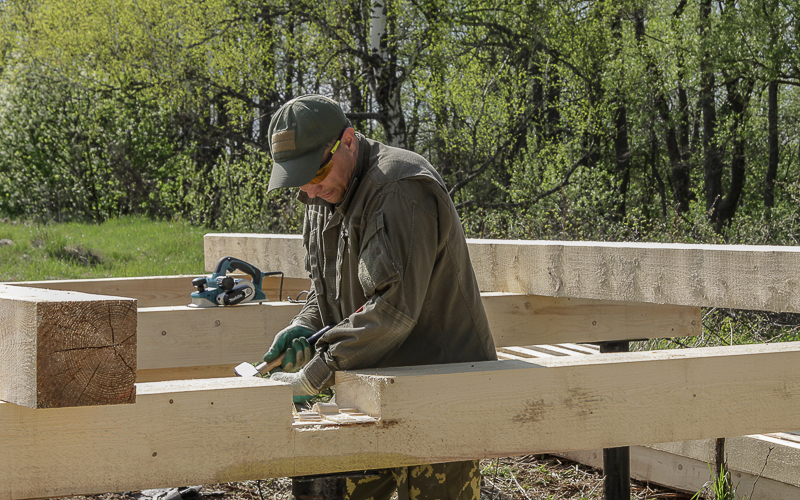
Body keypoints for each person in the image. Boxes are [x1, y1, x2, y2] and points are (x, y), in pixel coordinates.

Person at [264, 94, 497, 500]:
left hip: (440, 389)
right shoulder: (322, 196)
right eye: (298, 180)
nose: (311, 190)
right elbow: (329, 291)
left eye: (315, 172)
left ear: (349, 141)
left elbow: (392, 309)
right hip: (370, 382)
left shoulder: (398, 188)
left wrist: (316, 371)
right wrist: (304, 325)